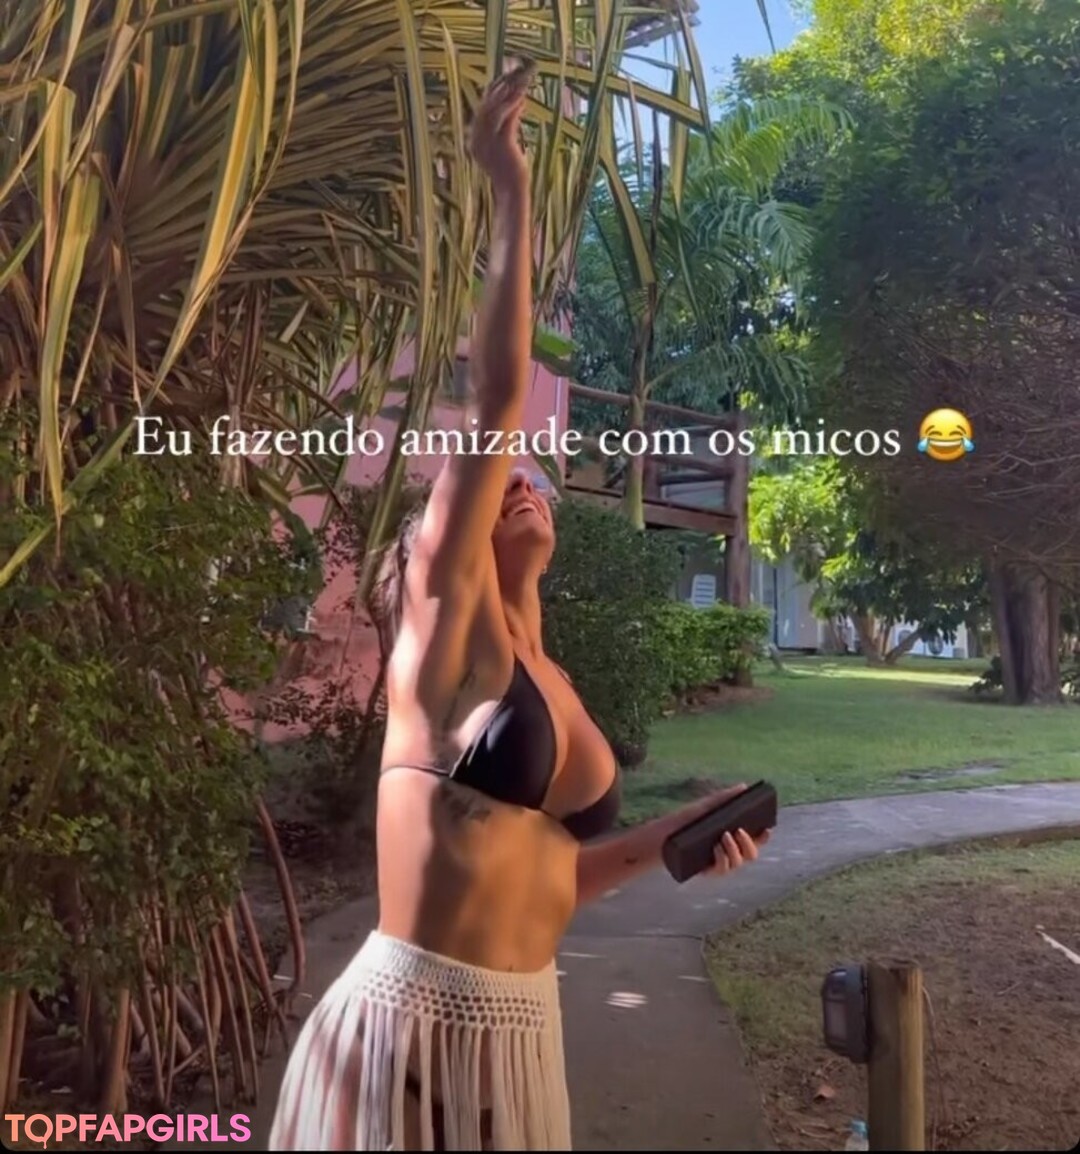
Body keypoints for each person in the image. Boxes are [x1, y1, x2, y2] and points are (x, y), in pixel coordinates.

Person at [268, 63, 769, 1153]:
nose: (522, 484)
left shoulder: (554, 680)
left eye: (531, 480)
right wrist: (508, 186)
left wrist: (681, 835)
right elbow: (498, 398)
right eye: (499, 487)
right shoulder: (446, 640)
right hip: (410, 1029)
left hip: (520, 1033)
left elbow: (557, 874)